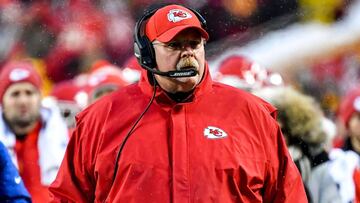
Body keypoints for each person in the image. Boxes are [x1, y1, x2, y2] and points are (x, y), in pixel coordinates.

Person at [49, 4, 307, 202]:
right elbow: (67, 197)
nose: (188, 53)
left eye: (194, 44)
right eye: (174, 45)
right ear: (147, 53)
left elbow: (288, 195)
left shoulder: (252, 114)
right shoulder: (100, 119)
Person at [0, 60, 69, 203]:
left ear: (40, 97)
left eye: (29, 92)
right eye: (15, 94)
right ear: (2, 101)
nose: (23, 100)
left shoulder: (67, 139)